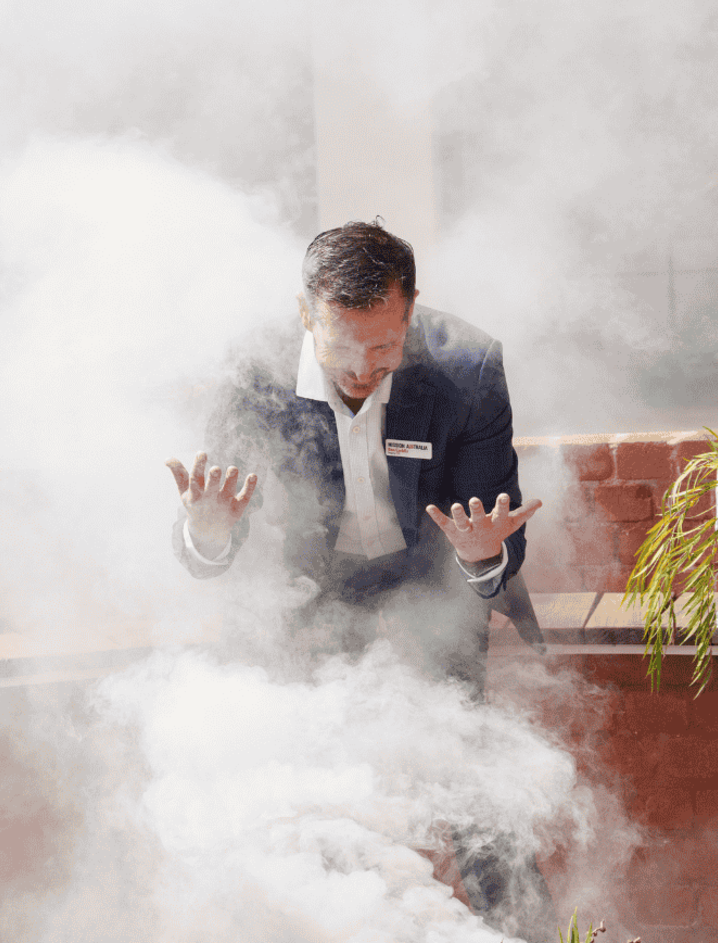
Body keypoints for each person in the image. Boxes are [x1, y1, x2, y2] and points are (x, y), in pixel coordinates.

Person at [164, 220, 550, 933]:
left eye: (385, 345)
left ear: (410, 312)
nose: (363, 368)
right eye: (342, 346)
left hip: (431, 591)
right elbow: (214, 540)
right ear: (305, 316)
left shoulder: (468, 366)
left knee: (471, 781)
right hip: (304, 598)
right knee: (304, 794)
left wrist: (478, 555)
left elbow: (492, 534)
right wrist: (209, 532)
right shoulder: (249, 373)